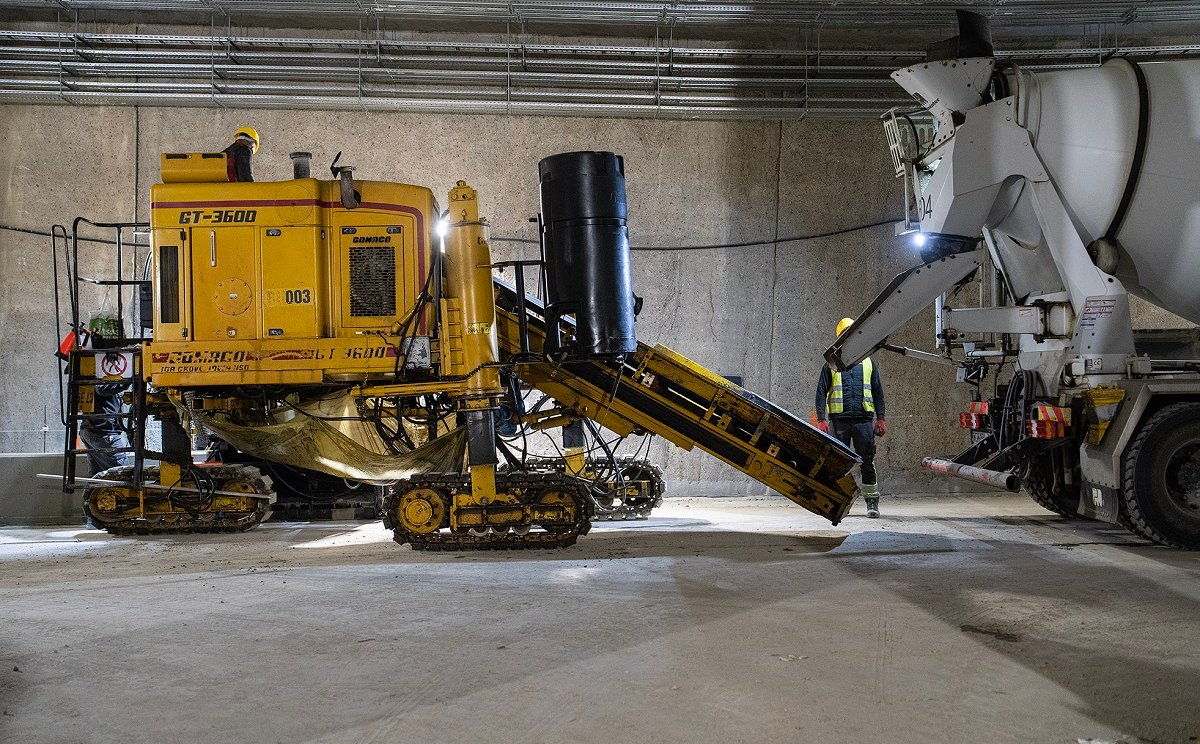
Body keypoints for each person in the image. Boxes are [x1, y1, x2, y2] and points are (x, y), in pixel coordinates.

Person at [815, 317, 887, 517]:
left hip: (864, 421)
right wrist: (821, 420)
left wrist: (880, 418)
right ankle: (833, 501)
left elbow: (878, 392)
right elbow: (821, 392)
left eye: (851, 333)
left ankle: (872, 503)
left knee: (867, 460)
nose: (848, 337)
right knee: (836, 463)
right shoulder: (830, 365)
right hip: (838, 422)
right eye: (844, 334)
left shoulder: (868, 363)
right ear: (839, 338)